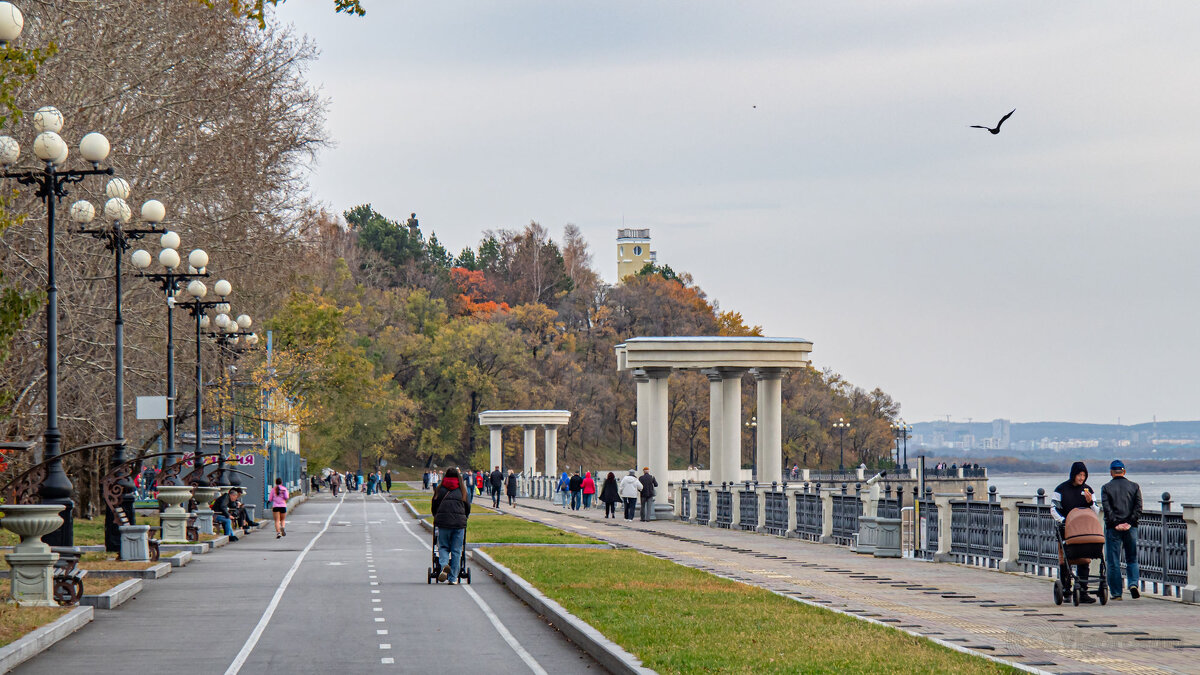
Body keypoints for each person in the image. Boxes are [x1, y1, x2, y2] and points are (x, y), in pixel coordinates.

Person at [1052, 461, 1098, 603]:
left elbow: (1096, 511)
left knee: (1084, 558)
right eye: (1079, 475)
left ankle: (1083, 591)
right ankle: (1066, 589)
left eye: (1084, 475)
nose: (1081, 478)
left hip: (1083, 530)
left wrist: (1090, 502)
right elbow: (1053, 509)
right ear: (1073, 474)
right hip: (1066, 529)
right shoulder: (1061, 489)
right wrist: (1064, 520)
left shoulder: (1088, 490)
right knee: (1065, 559)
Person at [1102, 460, 1142, 600]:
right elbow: (1138, 507)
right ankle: (1133, 584)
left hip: (1113, 529)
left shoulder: (1106, 488)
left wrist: (1116, 523)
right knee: (1132, 558)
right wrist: (1129, 522)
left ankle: (1117, 593)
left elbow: (1107, 509)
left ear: (1111, 472)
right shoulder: (1134, 486)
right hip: (1131, 528)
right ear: (1124, 471)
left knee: (1113, 561)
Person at [431, 467, 471, 584]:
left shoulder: (440, 489)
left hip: (443, 523)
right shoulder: (462, 490)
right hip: (459, 524)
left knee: (443, 546)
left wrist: (436, 516)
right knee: (456, 550)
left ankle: (444, 565)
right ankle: (453, 578)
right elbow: (467, 507)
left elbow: (434, 506)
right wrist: (465, 517)